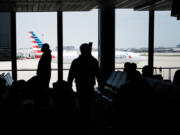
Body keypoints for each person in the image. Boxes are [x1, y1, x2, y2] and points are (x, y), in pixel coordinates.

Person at [68, 42, 103, 118]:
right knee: (88, 103)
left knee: (81, 102)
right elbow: (98, 74)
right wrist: (101, 85)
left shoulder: (76, 61)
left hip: (80, 85)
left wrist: (69, 84)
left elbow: (71, 75)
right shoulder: (93, 61)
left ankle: (82, 117)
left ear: (81, 50)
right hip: (89, 85)